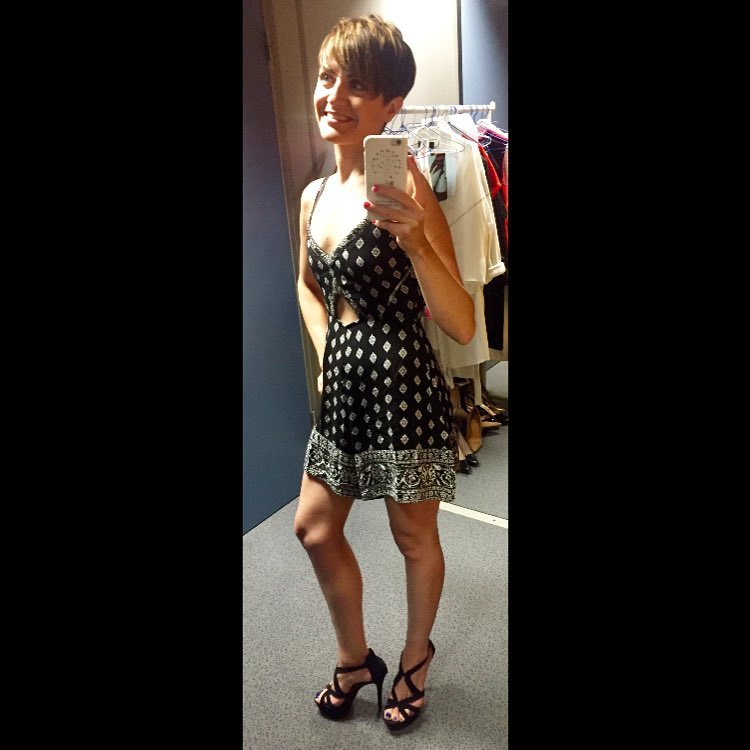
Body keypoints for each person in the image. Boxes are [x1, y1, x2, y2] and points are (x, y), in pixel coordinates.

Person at [293, 14, 475, 731]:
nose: (333, 96)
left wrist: (418, 243)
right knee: (314, 528)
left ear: (392, 105)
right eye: (327, 77)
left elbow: (461, 323)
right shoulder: (313, 196)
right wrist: (326, 355)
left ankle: (415, 657)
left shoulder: (408, 190)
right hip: (344, 385)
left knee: (412, 537)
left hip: (402, 381)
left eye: (357, 86)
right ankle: (354, 658)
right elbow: (308, 286)